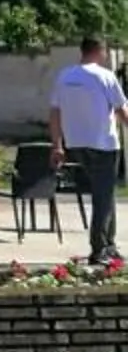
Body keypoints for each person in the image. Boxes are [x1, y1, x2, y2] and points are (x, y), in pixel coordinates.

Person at [50, 36, 128, 265]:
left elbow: (55, 112)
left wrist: (57, 145)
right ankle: (99, 248)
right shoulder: (105, 76)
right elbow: (121, 110)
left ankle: (109, 244)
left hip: (76, 143)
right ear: (101, 51)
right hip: (103, 144)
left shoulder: (65, 76)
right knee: (103, 196)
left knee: (105, 194)